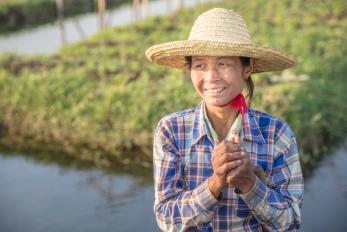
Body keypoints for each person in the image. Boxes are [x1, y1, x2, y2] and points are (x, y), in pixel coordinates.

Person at [145, 8, 304, 232]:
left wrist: (250, 183)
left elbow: (291, 223)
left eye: (223, 64)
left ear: (247, 68)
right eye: (200, 65)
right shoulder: (171, 130)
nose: (210, 77)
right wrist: (215, 182)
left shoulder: (277, 134)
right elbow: (166, 219)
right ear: (190, 69)